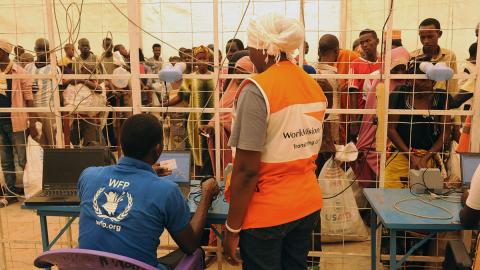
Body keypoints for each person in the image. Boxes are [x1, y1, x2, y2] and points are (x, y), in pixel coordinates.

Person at [223, 13, 327, 269]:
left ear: (262, 48)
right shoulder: (312, 85)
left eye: (250, 48)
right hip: (306, 204)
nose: (249, 55)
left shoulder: (257, 90)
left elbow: (247, 170)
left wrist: (231, 227)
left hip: (267, 213)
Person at [78, 113, 220, 269]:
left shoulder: (88, 176)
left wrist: (143, 175)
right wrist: (206, 195)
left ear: (121, 144)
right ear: (158, 149)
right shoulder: (166, 191)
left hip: (90, 266)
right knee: (197, 253)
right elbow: (190, 244)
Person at [384, 58, 452, 188]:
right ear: (411, 79)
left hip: (428, 159)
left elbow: (446, 132)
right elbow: (391, 129)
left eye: (430, 80)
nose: (426, 84)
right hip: (400, 156)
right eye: (421, 80)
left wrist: (425, 158)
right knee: (391, 197)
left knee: (427, 201)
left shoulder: (442, 98)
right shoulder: (400, 94)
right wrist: (411, 157)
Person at [353, 46, 410, 187]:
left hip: (396, 144)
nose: (400, 73)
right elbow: (370, 115)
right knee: (373, 186)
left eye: (403, 68)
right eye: (396, 68)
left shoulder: (409, 86)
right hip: (373, 143)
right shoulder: (380, 84)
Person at [201, 54, 256, 176]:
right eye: (236, 73)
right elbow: (219, 116)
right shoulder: (230, 92)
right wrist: (211, 126)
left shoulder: (255, 94)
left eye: (244, 73)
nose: (238, 77)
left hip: (248, 144)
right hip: (227, 142)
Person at [0, 39, 36, 206]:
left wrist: (34, 121)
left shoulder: (19, 71)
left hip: (17, 121)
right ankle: (10, 193)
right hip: (1, 123)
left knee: (23, 158)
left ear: (4, 53)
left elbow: (29, 98)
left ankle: (31, 190)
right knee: (5, 159)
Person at [25, 38, 62, 147]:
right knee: (37, 141)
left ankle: (53, 163)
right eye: (39, 49)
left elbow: (58, 92)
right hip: (33, 110)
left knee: (52, 140)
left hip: (49, 110)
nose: (41, 52)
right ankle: (40, 164)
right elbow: (25, 87)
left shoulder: (54, 68)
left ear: (49, 51)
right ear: (35, 50)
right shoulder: (28, 67)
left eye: (44, 49)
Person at [348, 29, 381, 141]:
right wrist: (354, 121)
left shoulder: (384, 63)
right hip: (362, 115)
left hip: (380, 112)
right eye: (362, 43)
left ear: (377, 41)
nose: (365, 45)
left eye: (368, 41)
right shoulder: (355, 64)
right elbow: (352, 92)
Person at [411, 18, 458, 95]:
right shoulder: (413, 56)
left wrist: (450, 104)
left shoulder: (450, 56)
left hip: (441, 103)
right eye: (422, 37)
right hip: (419, 102)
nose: (426, 41)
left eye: (430, 37)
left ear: (439, 34)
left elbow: (452, 86)